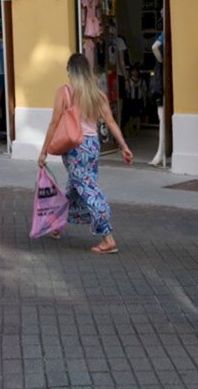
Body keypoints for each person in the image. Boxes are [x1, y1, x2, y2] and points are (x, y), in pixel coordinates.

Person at [38, 53, 133, 254]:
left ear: (71, 71)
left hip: (75, 147)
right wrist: (123, 146)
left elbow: (54, 123)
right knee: (75, 186)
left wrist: (44, 151)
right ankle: (57, 224)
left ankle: (107, 237)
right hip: (92, 145)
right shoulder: (96, 93)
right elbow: (111, 122)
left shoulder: (64, 92)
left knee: (88, 188)